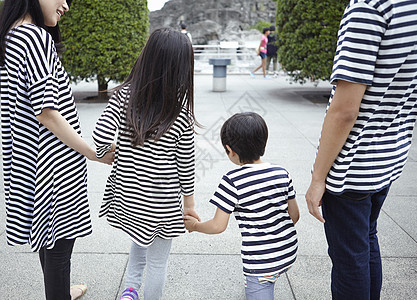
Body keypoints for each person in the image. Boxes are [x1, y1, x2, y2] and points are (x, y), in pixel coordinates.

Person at [0, 0, 114, 299]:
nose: (65, 5)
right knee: (60, 246)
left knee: (48, 239)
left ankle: (60, 290)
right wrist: (93, 151)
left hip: (27, 160)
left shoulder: (9, 36)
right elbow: (47, 112)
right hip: (53, 163)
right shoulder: (34, 36)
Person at [305, 1, 417, 299]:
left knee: (349, 260)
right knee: (366, 240)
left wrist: (318, 177)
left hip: (353, 164)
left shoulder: (370, 7)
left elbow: (344, 110)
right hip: (390, 155)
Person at [92, 28, 200, 300]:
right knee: (158, 261)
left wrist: (116, 154)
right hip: (162, 203)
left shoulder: (123, 96)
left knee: (139, 238)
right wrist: (189, 205)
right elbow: (186, 165)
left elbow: (99, 138)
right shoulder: (181, 113)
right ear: (181, 69)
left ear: (147, 57)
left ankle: (130, 290)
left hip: (129, 195)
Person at [184, 112, 299, 300]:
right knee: (273, 273)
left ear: (230, 150)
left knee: (262, 284)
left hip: (261, 263)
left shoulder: (233, 181)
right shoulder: (281, 172)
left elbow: (217, 226)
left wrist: (195, 226)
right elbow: (294, 215)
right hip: (288, 251)